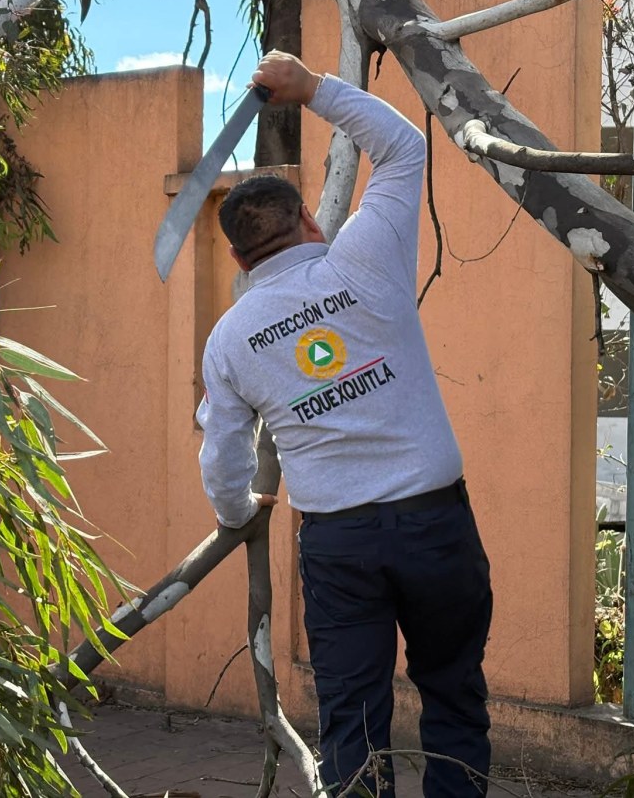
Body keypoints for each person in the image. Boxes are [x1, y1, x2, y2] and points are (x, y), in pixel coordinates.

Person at [195, 51, 493, 798]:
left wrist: (238, 513)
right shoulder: (364, 255)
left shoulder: (231, 337)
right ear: (306, 218)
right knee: (453, 693)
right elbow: (404, 146)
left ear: (236, 254)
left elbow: (222, 456)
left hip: (338, 546)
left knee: (352, 723)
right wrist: (311, 89)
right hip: (434, 525)